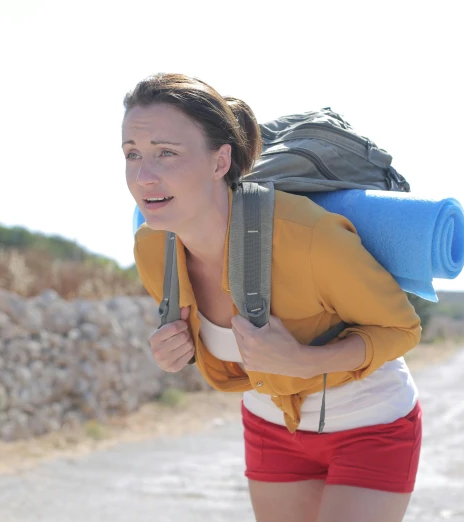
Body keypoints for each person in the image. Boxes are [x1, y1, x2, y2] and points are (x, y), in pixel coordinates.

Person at [124, 72, 423, 522]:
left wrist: (306, 361)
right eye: (132, 155)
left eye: (166, 153)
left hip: (371, 422)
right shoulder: (153, 248)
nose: (144, 176)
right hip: (270, 424)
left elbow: (402, 328)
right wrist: (178, 351)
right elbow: (213, 342)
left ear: (220, 160)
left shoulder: (307, 237)